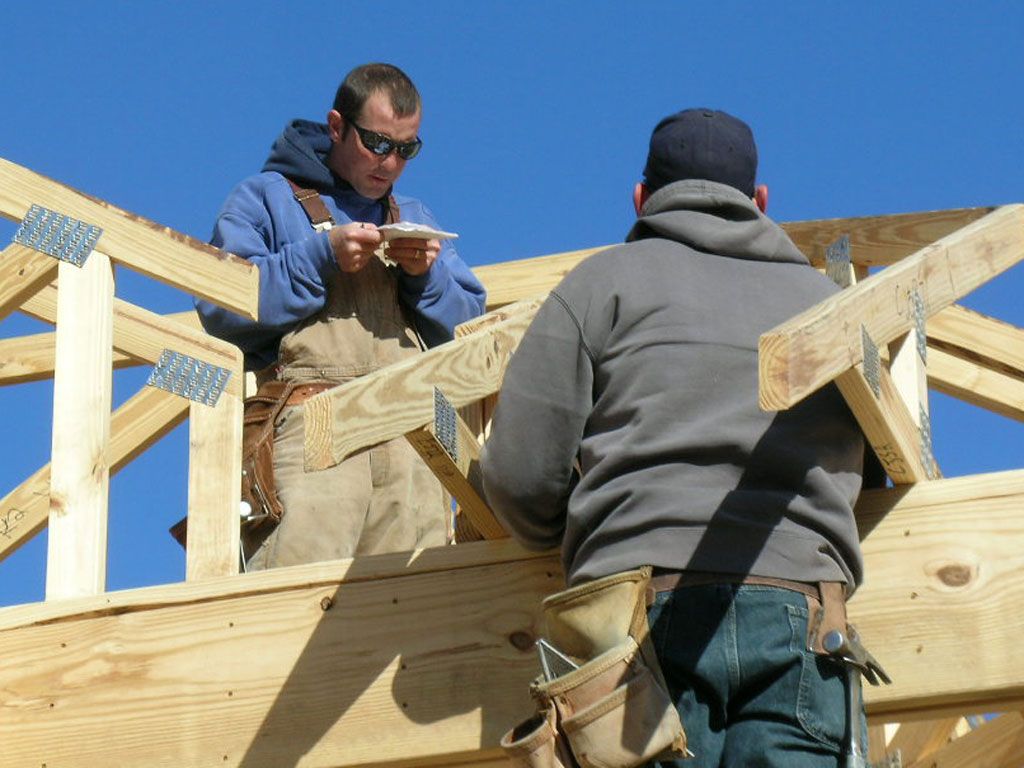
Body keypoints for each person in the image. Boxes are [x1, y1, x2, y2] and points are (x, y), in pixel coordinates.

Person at [478, 108, 882, 766]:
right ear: (760, 203)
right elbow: (872, 468)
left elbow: (521, 476)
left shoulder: (597, 287)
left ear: (641, 199)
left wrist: (568, 530)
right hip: (802, 614)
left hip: (638, 618)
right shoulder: (827, 307)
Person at [197, 63, 485, 570]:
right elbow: (219, 304)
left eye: (406, 149)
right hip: (314, 432)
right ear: (336, 127)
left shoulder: (412, 214)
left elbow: (468, 328)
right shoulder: (265, 198)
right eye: (377, 143)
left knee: (410, 629)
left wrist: (425, 277)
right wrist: (317, 258)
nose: (391, 162)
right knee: (295, 610)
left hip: (411, 444)